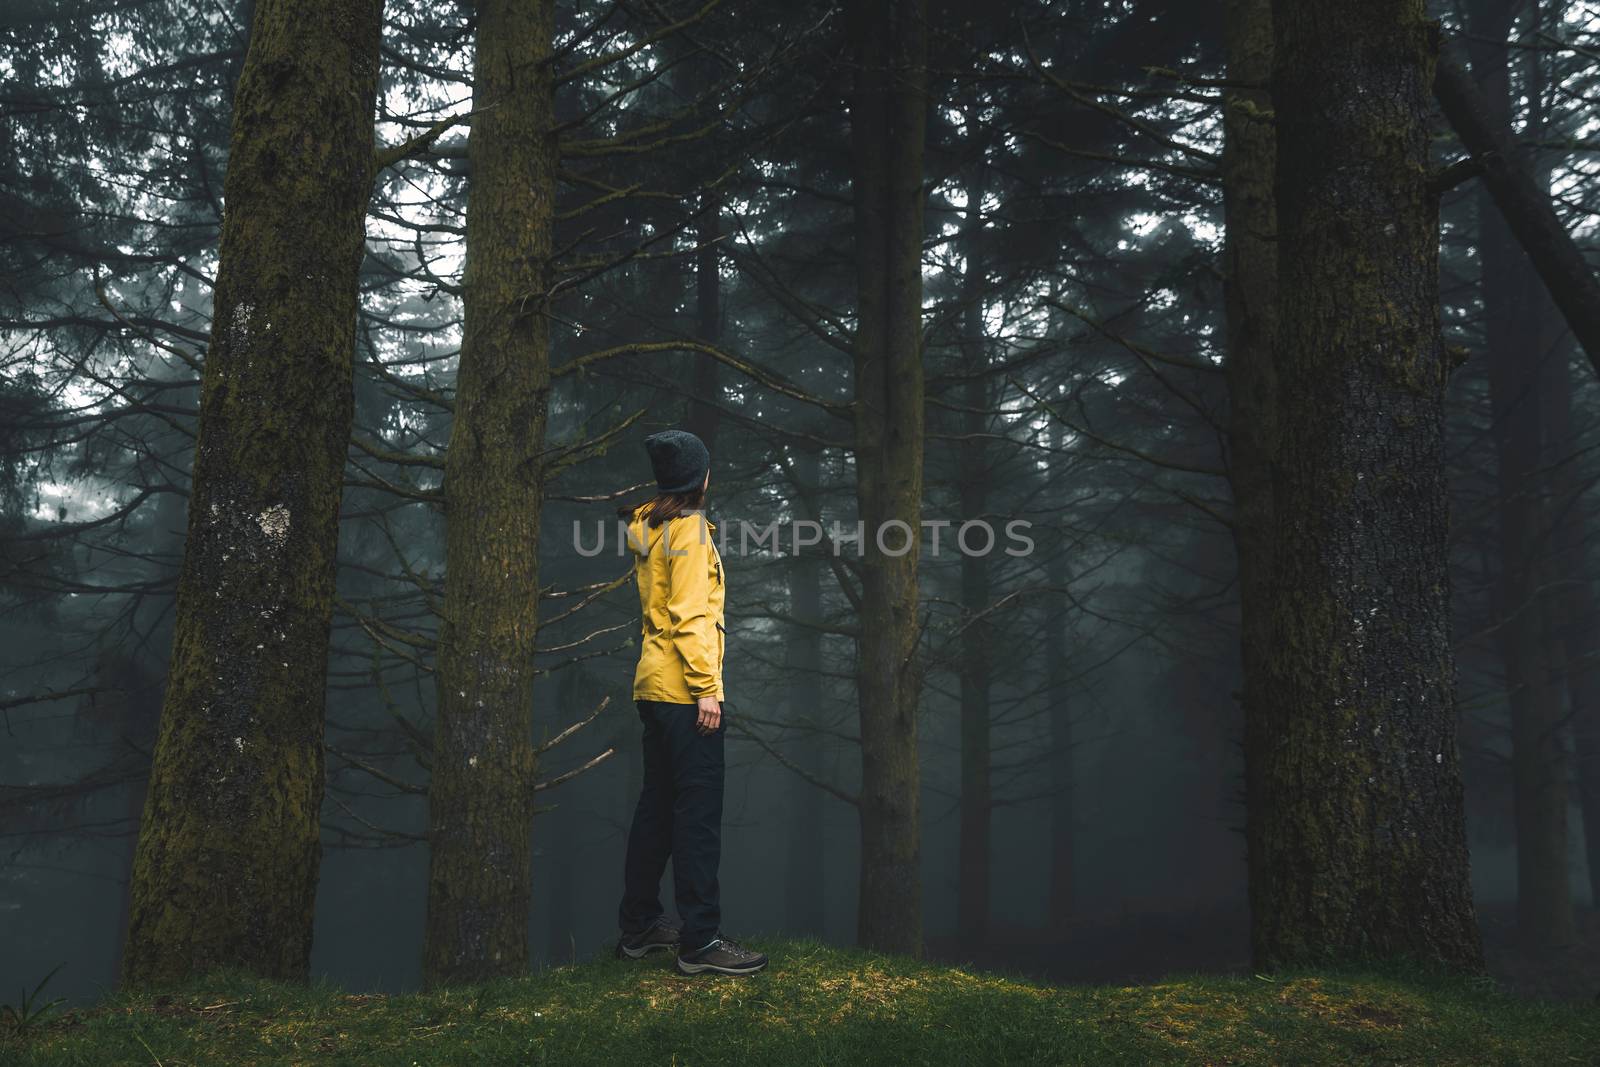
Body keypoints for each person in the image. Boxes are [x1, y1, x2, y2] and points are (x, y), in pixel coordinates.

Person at [613, 428, 768, 976]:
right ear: (701, 478)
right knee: (696, 817)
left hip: (652, 688)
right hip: (684, 691)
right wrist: (707, 689)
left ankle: (640, 926)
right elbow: (690, 615)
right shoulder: (690, 531)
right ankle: (700, 942)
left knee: (656, 808)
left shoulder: (650, 525)